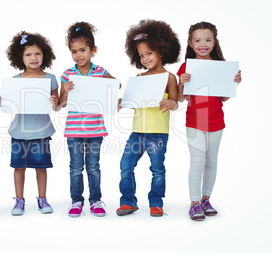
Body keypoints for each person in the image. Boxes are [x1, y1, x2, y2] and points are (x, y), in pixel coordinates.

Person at [177, 22, 242, 221]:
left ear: (214, 42)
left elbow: (223, 99)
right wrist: (182, 83)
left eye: (207, 40)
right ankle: (194, 202)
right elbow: (180, 99)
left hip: (216, 122)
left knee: (211, 162)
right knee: (197, 162)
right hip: (195, 122)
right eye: (197, 40)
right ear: (190, 43)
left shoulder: (220, 66)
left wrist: (233, 83)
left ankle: (206, 199)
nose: (202, 44)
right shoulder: (186, 66)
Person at [117, 19, 180, 217]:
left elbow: (176, 101)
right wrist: (122, 101)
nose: (144, 58)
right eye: (141, 55)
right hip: (136, 133)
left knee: (157, 169)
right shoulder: (138, 79)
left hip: (158, 133)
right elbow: (131, 101)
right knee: (125, 166)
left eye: (149, 53)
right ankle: (128, 201)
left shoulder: (169, 77)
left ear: (161, 51)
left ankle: (156, 202)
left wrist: (171, 103)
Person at [0, 31, 59, 216]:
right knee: (18, 167)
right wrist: (1, 102)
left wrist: (55, 103)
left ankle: (42, 199)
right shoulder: (15, 81)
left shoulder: (51, 78)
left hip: (42, 130)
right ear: (20, 58)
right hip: (19, 131)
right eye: (28, 54)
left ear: (44, 55)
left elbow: (56, 108)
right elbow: (9, 105)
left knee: (41, 166)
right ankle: (19, 201)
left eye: (37, 53)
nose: (33, 58)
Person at [59, 21, 118, 217]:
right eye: (74, 51)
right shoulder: (67, 74)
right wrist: (65, 91)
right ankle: (76, 201)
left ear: (93, 50)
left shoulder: (100, 71)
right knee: (75, 167)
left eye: (82, 50)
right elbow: (61, 103)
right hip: (74, 130)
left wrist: (102, 84)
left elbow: (115, 85)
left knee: (93, 166)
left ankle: (95, 200)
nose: (78, 55)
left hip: (95, 129)